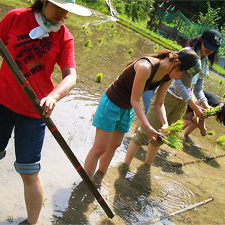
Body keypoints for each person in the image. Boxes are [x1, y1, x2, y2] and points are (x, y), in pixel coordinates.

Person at [0, 0, 91, 224]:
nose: (62, 14)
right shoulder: (15, 17)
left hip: (34, 112)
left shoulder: (64, 37)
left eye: (67, 11)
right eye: (58, 7)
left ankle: (31, 222)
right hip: (0, 102)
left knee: (29, 170)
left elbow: (70, 76)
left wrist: (53, 96)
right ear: (43, 1)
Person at [84, 48, 201, 178]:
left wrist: (165, 124)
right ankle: (85, 183)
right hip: (112, 103)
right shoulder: (145, 67)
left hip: (127, 108)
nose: (180, 78)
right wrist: (148, 126)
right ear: (177, 64)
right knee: (100, 148)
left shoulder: (168, 75)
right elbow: (135, 100)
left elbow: (159, 103)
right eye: (182, 75)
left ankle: (99, 178)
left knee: (114, 145)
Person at [124, 29, 223, 166]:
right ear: (201, 41)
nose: (210, 51)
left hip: (182, 103)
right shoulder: (188, 54)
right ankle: (125, 165)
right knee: (143, 134)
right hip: (167, 97)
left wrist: (205, 104)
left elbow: (197, 88)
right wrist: (194, 106)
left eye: (213, 49)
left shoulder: (204, 62)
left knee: (162, 135)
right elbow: (179, 83)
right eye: (208, 47)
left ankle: (147, 165)